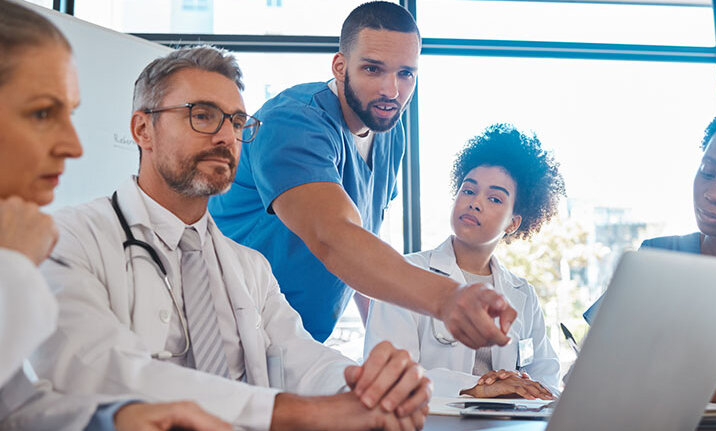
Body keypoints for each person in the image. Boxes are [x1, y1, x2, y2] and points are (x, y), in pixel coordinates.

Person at [32, 44, 431, 431]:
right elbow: (98, 370)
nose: (226, 137)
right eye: (202, 116)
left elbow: (301, 358)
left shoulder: (249, 267)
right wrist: (303, 415)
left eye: (237, 122)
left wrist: (365, 386)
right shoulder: (70, 240)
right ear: (143, 129)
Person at [209, 1, 516, 348]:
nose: (392, 90)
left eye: (406, 73)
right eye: (373, 69)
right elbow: (334, 237)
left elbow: (364, 242)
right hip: (230, 333)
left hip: (297, 344)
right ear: (340, 67)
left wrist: (389, 342)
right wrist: (446, 299)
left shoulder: (388, 132)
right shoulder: (292, 122)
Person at [0, 1, 231, 430]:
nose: (74, 145)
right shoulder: (51, 242)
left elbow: (14, 406)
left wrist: (119, 417)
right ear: (143, 130)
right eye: (42, 113)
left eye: (69, 113)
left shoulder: (244, 262)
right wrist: (12, 269)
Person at [584, 98, 716, 410]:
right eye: (708, 172)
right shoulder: (656, 258)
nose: (714, 193)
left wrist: (687, 388)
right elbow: (601, 368)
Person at [365, 124, 563, 399]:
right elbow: (387, 375)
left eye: (494, 198)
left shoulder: (523, 295)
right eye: (468, 191)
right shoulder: (405, 273)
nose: (475, 203)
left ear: (513, 223)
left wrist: (521, 385)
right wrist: (476, 387)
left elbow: (548, 378)